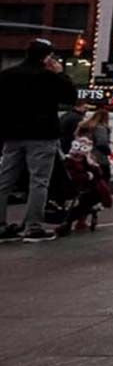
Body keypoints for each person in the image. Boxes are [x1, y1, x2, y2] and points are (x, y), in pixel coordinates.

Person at [0, 39, 78, 243]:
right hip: (42, 135)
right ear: (47, 58)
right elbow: (71, 97)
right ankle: (33, 226)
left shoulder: (7, 75)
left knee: (5, 180)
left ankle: (1, 225)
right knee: (39, 181)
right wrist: (60, 73)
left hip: (12, 134)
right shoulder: (49, 78)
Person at [78, 108, 113, 182]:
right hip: (99, 158)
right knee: (104, 178)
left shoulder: (85, 127)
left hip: (84, 155)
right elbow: (102, 143)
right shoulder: (100, 128)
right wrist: (108, 152)